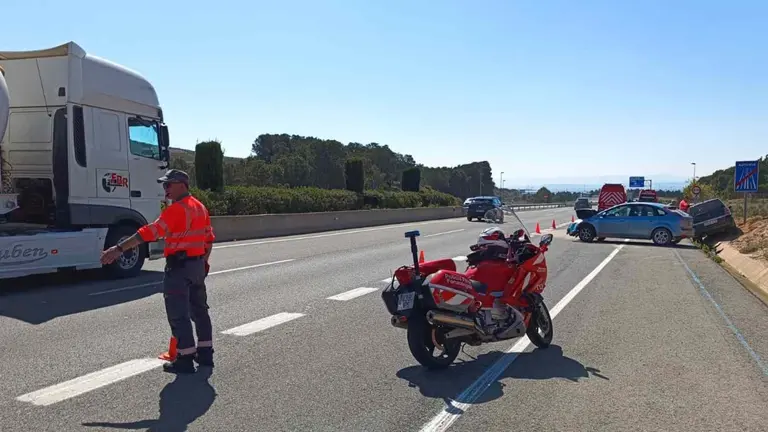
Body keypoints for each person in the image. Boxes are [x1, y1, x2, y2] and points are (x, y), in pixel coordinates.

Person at [100, 169, 215, 374]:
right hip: (196, 265)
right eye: (164, 185)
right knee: (200, 311)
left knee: (178, 314)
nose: (165, 189)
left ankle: (185, 358)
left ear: (181, 184)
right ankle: (206, 354)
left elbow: (149, 232)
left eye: (168, 185)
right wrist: (203, 263)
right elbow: (209, 238)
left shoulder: (176, 210)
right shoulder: (200, 207)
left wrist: (118, 249)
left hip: (179, 268)